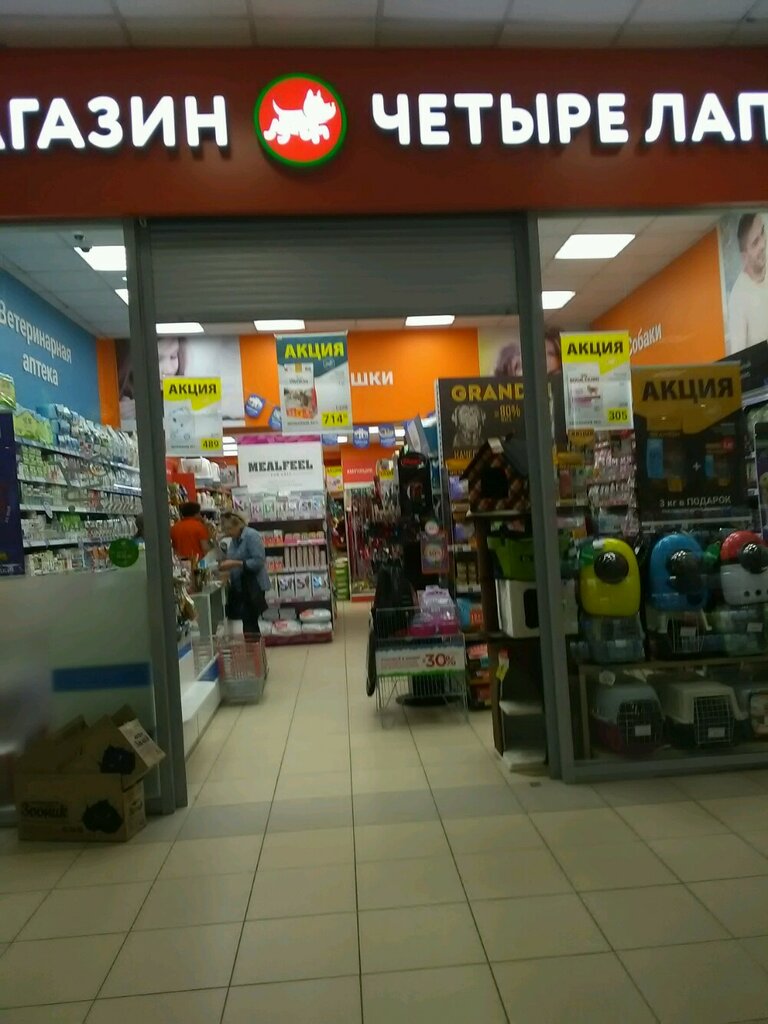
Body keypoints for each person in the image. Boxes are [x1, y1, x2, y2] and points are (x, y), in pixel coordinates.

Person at [219, 511, 270, 635]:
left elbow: (259, 561)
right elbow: (231, 556)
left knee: (250, 622)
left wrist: (235, 563)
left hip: (253, 585)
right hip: (241, 585)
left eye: (230, 529)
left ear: (239, 525)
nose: (228, 532)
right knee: (248, 622)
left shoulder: (251, 536)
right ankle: (253, 646)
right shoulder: (235, 539)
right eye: (225, 529)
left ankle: (254, 646)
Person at [728, 213, 768, 354]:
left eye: (762, 232)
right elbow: (739, 358)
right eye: (755, 242)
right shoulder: (738, 298)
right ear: (744, 257)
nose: (763, 244)